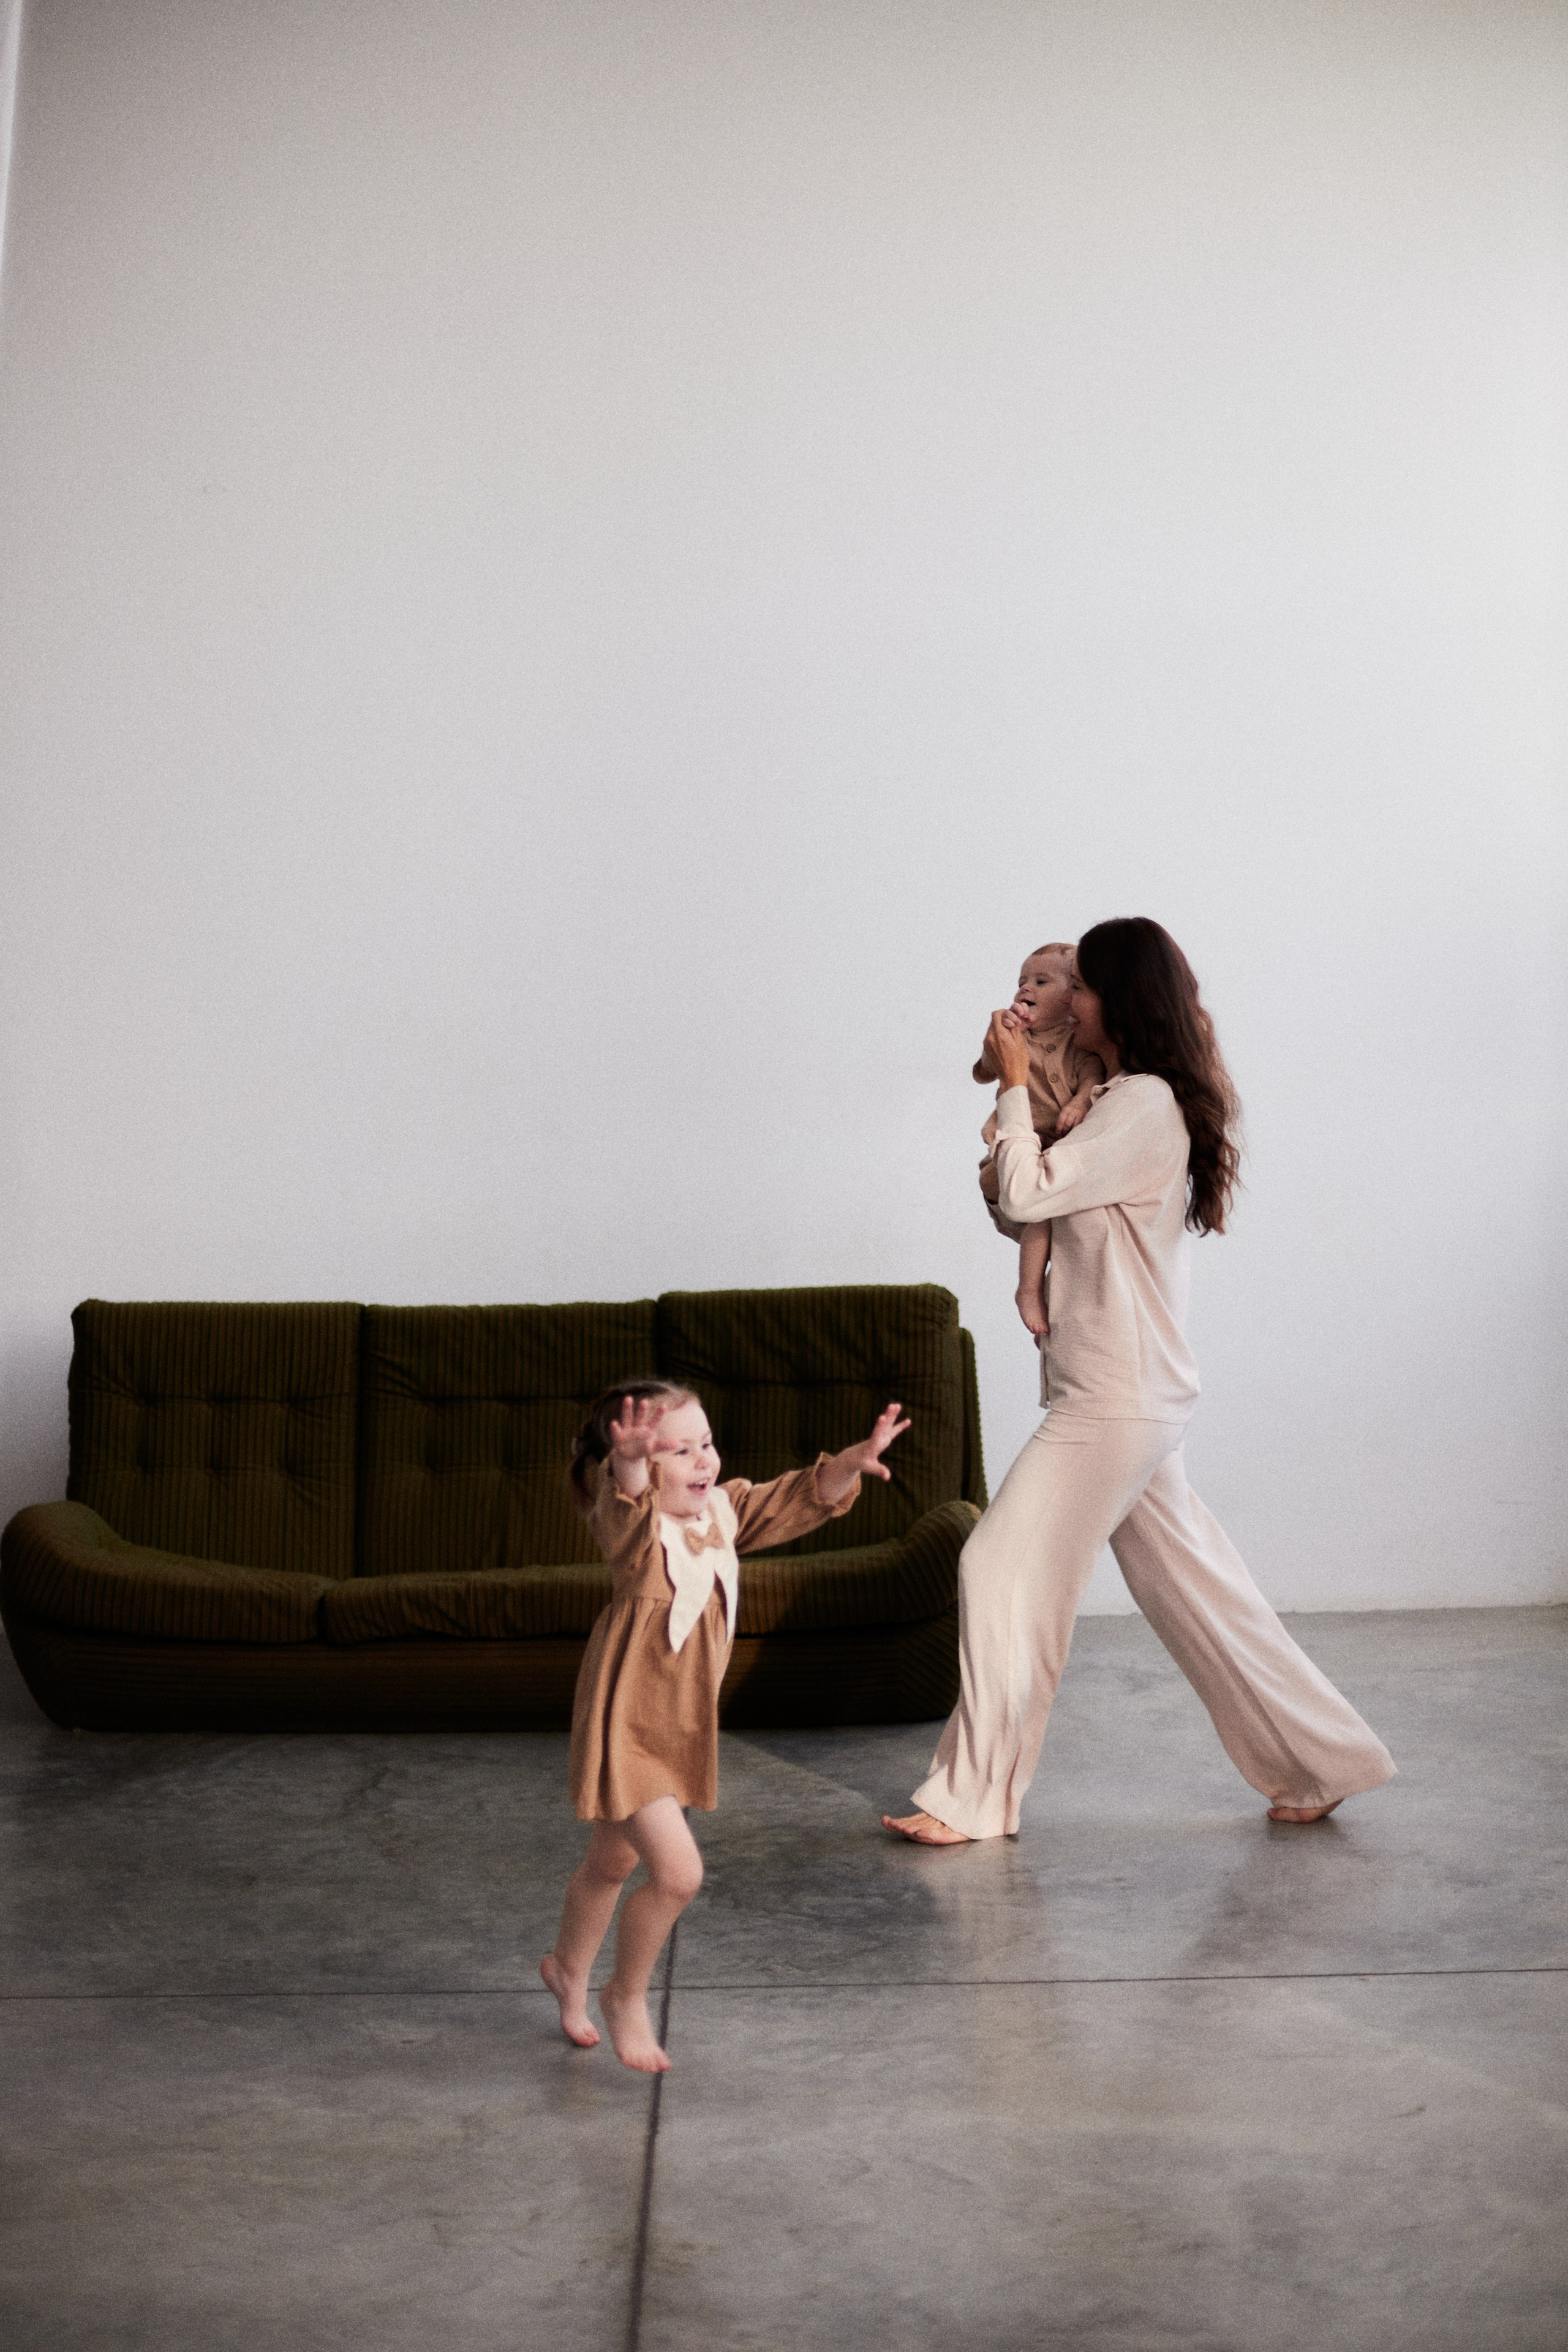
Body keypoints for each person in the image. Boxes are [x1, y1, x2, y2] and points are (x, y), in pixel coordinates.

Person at [885, 916, 1395, 1846]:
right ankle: (1321, 1761)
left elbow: (1030, 1193)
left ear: (1118, 998)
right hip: (1120, 1387)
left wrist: (1009, 1097)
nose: (1063, 999)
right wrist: (1018, 1127)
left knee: (998, 1564)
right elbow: (1025, 1210)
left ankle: (973, 1799)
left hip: (1114, 1397)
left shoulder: (1144, 1104)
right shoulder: (1110, 1100)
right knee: (1199, 1592)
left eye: (1080, 985)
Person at [543, 1381, 910, 2069]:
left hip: (677, 1726)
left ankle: (568, 1970)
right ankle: (625, 1994)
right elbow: (621, 1500)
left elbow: (800, 1495)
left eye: (705, 1444)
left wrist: (854, 1460)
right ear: (642, 1469)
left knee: (612, 1860)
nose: (701, 1461)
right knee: (677, 1875)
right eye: (677, 1452)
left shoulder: (723, 1510)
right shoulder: (635, 1529)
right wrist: (625, 1465)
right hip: (628, 1724)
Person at [974, 941, 1104, 1339]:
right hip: (1020, 1144)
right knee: (1038, 1216)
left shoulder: (1077, 1043)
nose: (1025, 989)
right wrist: (995, 1045)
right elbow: (981, 1073)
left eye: (1042, 981)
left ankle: (1037, 1290)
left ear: (1073, 999)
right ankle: (1028, 1289)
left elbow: (1092, 1076)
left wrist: (1082, 1101)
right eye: (1022, 981)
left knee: (1049, 1215)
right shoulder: (1016, 1037)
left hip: (1059, 1147)